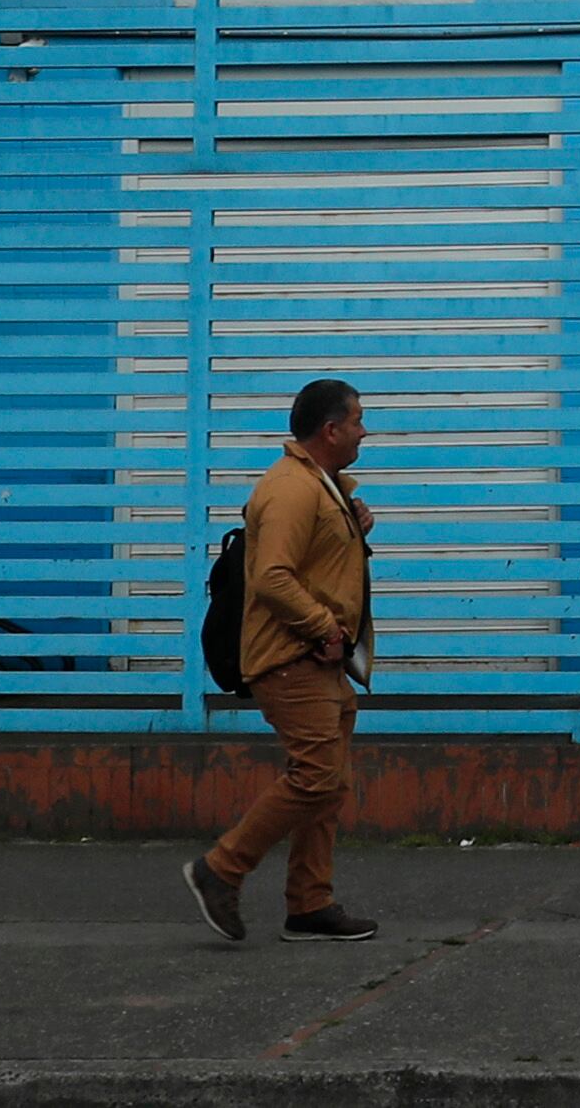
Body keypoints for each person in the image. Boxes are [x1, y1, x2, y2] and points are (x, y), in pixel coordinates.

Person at [186, 376, 380, 944]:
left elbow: (313, 558)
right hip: (292, 660)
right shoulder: (292, 488)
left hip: (320, 662)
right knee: (316, 775)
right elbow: (272, 577)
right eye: (358, 420)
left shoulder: (319, 485)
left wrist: (351, 520)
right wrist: (324, 627)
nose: (364, 431)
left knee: (330, 784)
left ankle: (309, 905)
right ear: (331, 429)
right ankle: (220, 869)